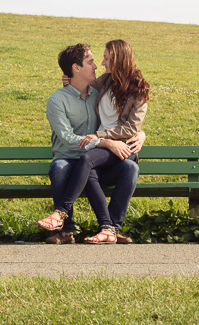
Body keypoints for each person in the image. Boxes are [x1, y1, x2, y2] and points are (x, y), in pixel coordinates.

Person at [39, 40, 149, 244]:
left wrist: (138, 134)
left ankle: (108, 227)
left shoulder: (127, 91)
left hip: (111, 152)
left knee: (129, 168)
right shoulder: (100, 85)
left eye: (105, 58)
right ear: (77, 67)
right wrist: (104, 141)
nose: (100, 64)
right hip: (89, 154)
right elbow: (77, 89)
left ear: (118, 59)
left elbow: (131, 126)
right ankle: (68, 230)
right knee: (67, 166)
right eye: (93, 61)